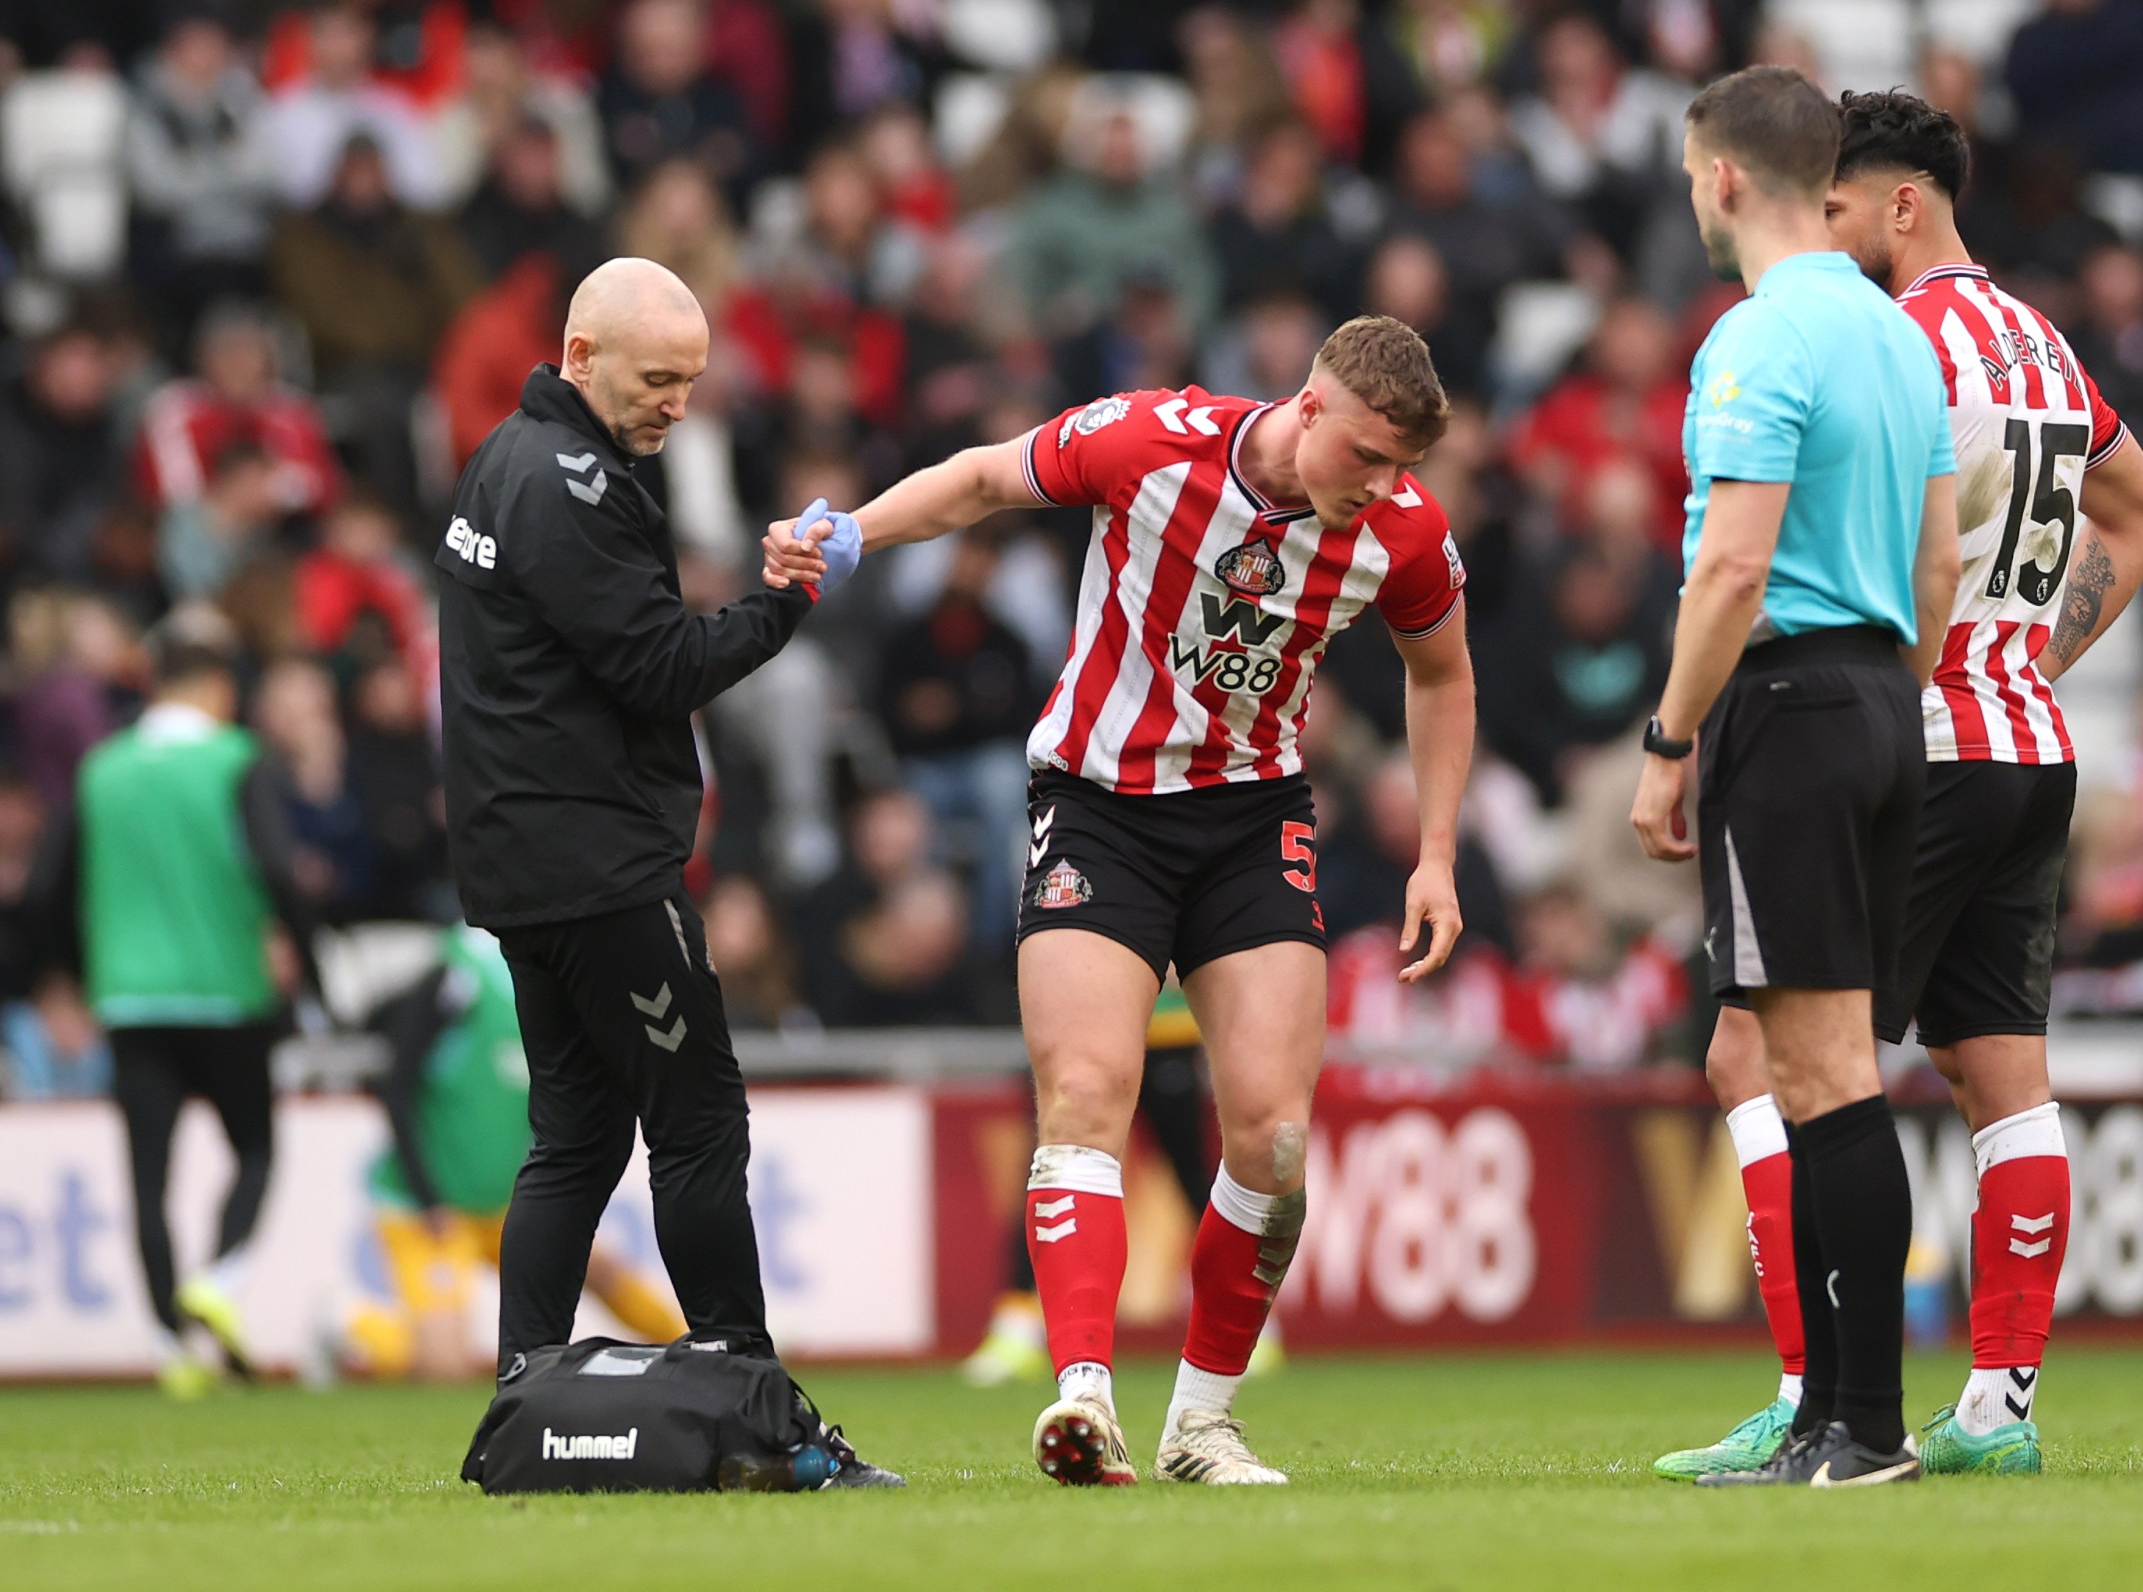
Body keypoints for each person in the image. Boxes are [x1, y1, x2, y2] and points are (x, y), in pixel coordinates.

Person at [763, 314, 1478, 1486]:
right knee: (1088, 1089)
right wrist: (855, 533)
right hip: (1101, 803)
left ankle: (1201, 1426)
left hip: (1252, 820)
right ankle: (1083, 1400)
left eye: (1403, 466)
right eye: (1364, 456)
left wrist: (1437, 850)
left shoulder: (1400, 534)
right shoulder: (1150, 440)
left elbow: (1442, 674)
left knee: (1274, 1136)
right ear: (1307, 410)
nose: (1382, 486)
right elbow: (987, 478)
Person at [1653, 88, 2143, 1483]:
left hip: (1914, 731)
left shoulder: (1893, 338)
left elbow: (1883, 536)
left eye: (1841, 203)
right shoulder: (2045, 342)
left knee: (1769, 1060)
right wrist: (2037, 654)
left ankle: (1818, 1395)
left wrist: (1924, 664)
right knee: (2003, 1078)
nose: (1820, 227)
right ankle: (1999, 1406)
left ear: (1902, 204)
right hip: (2029, 740)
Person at [435, 257, 898, 1486]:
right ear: (581, 356)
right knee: (698, 1122)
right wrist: (784, 605)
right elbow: (656, 670)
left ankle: (520, 1412)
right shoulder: (574, 481)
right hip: (600, 864)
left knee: (575, 1138)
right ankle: (764, 1415)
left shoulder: (499, 460)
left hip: (522, 864)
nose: (676, 405)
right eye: (656, 380)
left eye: (691, 383)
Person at [1626, 67, 1960, 1488]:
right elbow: (1939, 564)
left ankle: (1866, 1426)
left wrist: (1668, 740)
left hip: (1794, 700)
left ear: (1720, 179)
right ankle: (1830, 1416)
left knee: (1822, 1080)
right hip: (1889, 690)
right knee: (1826, 1070)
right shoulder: (1897, 335)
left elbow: (1733, 563)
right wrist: (1890, 692)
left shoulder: (1754, 339)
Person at [31, 626, 321, 1397]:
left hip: (128, 997)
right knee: (255, 1149)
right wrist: (312, 968)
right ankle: (220, 1279)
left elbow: (44, 888)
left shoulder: (101, 770)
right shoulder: (236, 760)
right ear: (219, 688)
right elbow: (278, 870)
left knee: (148, 1177)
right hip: (227, 992)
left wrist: (57, 979)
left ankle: (173, 1345)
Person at [339, 925, 683, 1380]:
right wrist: (429, 1200)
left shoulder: (552, 974)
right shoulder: (461, 974)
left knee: (604, 1270)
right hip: (433, 1209)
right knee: (445, 1369)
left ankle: (698, 1344)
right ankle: (348, 1328)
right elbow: (396, 1087)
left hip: (506, 1200)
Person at [958, 984, 1289, 1386]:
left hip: (1164, 1030)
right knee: (1051, 1172)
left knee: (1194, 1181)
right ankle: (1016, 1330)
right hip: (1083, 1031)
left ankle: (1250, 1324)